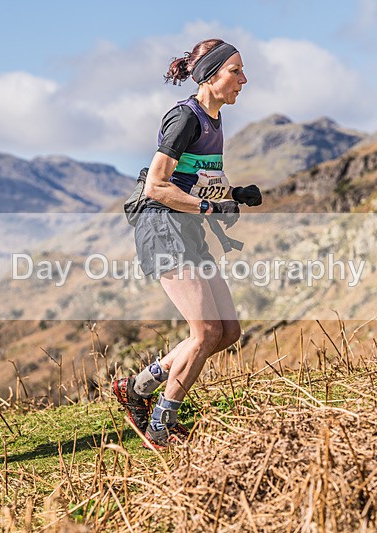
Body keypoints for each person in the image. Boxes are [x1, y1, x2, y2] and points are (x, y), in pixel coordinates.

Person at [113, 39, 263, 450]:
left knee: (228, 331)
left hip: (188, 227)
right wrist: (210, 208)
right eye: (236, 71)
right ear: (211, 76)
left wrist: (235, 193)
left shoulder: (214, 121)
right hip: (163, 227)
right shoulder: (185, 118)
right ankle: (162, 423)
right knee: (205, 332)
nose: (244, 79)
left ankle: (137, 385)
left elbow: (197, 179)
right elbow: (158, 185)